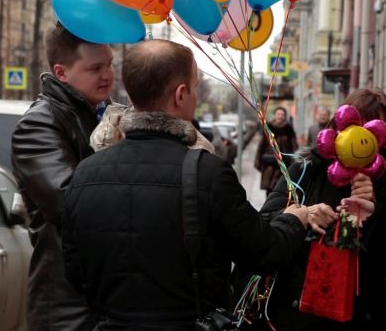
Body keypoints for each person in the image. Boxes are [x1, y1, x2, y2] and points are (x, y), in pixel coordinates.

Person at [60, 39, 336, 330]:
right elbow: (263, 252)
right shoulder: (207, 172)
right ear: (180, 95)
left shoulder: (85, 172)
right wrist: (295, 218)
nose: (195, 94)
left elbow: (75, 273)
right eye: (195, 86)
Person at [254, 89, 386, 331]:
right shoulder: (308, 170)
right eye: (357, 126)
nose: (363, 139)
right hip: (296, 313)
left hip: (360, 316)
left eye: (375, 130)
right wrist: (304, 215)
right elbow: (264, 227)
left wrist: (376, 211)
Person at [11, 24, 114, 330]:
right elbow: (69, 202)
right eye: (96, 68)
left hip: (95, 295)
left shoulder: (94, 115)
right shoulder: (38, 125)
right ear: (62, 72)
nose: (108, 75)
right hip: (65, 307)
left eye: (109, 64)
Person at [254, 106, 298, 195]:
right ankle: (269, 208)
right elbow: (261, 146)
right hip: (270, 166)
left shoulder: (289, 130)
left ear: (285, 116)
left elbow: (294, 147)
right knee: (270, 191)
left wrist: (292, 162)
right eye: (278, 114)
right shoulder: (268, 128)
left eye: (282, 115)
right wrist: (258, 161)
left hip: (284, 166)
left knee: (282, 190)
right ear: (275, 116)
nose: (280, 116)